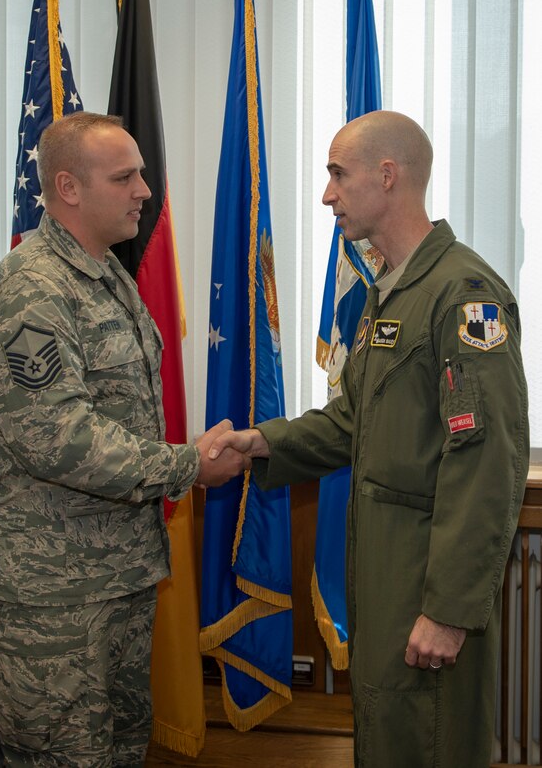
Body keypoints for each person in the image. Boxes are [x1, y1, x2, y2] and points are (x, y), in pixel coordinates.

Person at [209, 110, 529, 768]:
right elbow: (352, 421)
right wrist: (257, 444)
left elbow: (485, 461)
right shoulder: (393, 295)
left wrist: (450, 608)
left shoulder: (461, 296)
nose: (327, 193)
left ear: (388, 176)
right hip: (385, 578)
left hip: (424, 582)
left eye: (337, 174)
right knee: (389, 738)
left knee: (430, 742)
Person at [0, 111, 247, 767]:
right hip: (51, 595)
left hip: (114, 577)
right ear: (69, 187)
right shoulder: (30, 290)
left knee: (118, 751)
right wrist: (187, 465)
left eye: (141, 174)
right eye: (125, 176)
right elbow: (55, 435)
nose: (145, 190)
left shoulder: (108, 274)